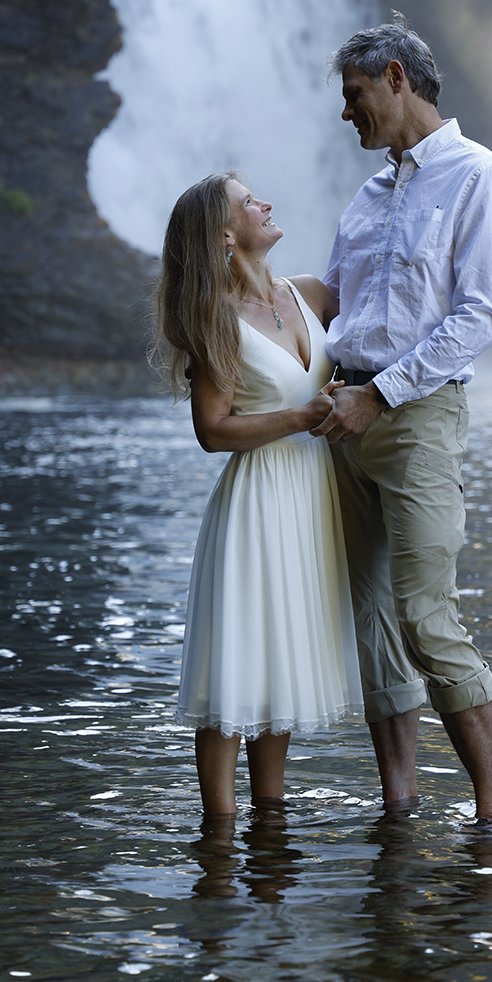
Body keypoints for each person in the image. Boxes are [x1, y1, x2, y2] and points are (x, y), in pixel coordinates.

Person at [312, 13, 492, 827]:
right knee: (370, 618)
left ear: (397, 77)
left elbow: (480, 316)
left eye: (354, 94)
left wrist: (382, 393)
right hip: (342, 413)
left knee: (426, 615)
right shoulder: (366, 195)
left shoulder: (480, 176)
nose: (346, 113)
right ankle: (397, 804)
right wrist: (230, 310)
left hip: (415, 415)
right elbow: (332, 302)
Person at [154, 171, 363, 819]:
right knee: (238, 663)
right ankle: (218, 836)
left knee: (282, 655)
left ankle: (270, 817)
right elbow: (213, 431)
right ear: (224, 232)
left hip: (315, 500)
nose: (267, 203)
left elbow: (390, 290)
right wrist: (303, 418)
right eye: (250, 202)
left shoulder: (306, 293)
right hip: (256, 502)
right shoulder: (213, 317)